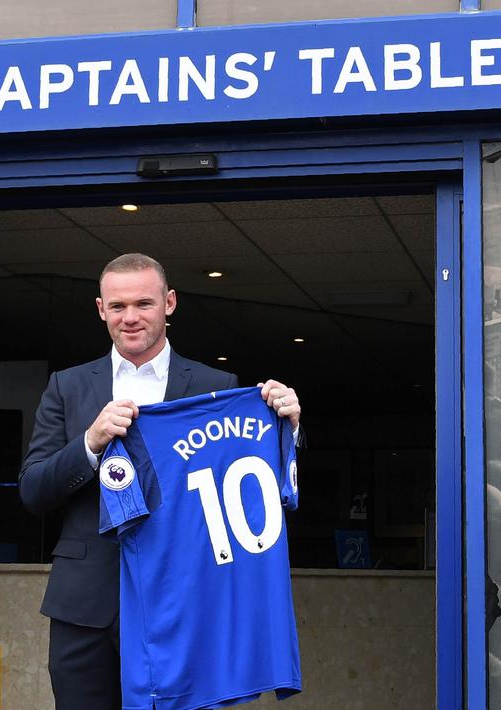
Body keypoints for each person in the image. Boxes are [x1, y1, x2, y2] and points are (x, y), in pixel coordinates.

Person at [18, 253, 302, 710]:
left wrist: (284, 428)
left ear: (169, 303)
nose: (130, 317)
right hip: (87, 605)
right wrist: (89, 442)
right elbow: (33, 491)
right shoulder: (66, 387)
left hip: (185, 602)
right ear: (100, 309)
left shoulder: (217, 384)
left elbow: (255, 488)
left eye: (144, 303)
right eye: (118, 306)